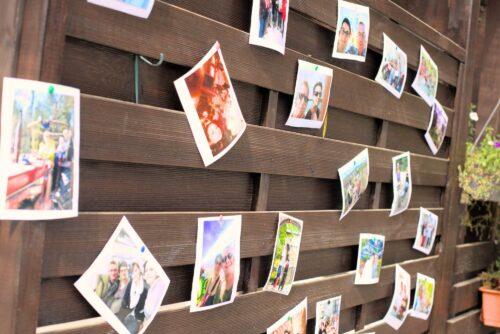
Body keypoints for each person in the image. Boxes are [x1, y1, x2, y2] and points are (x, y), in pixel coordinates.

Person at [120, 262, 148, 334]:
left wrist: (141, 322)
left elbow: (146, 309)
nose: (134, 273)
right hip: (127, 314)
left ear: (140, 271)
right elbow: (125, 300)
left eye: (135, 270)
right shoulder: (130, 283)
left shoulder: (145, 287)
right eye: (132, 271)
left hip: (137, 318)